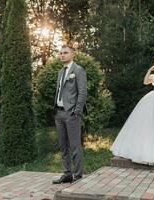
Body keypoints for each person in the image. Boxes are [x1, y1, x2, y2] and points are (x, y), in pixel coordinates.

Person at [52, 44, 87, 184]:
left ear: (73, 54)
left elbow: (82, 92)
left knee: (75, 145)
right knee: (63, 146)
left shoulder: (78, 70)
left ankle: (78, 175)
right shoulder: (61, 72)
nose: (62, 55)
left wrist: (77, 111)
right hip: (59, 113)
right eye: (60, 53)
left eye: (65, 52)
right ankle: (67, 174)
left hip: (71, 114)